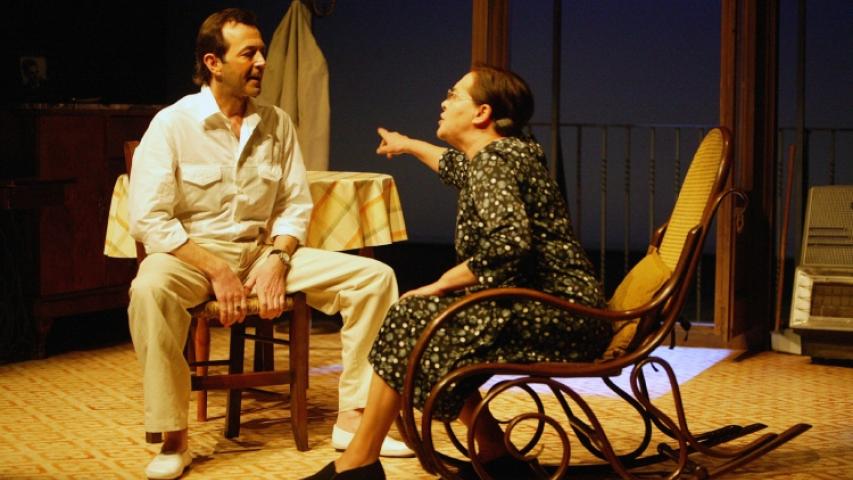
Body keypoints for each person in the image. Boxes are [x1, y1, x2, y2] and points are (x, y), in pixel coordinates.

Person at [127, 8, 411, 480]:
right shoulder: (172, 124)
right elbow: (150, 221)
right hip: (191, 255)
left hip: (261, 252)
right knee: (148, 289)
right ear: (213, 62)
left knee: (374, 279)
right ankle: (173, 436)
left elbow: (295, 206)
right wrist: (217, 270)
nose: (261, 62)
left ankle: (353, 418)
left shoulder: (276, 123)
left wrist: (278, 257)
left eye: (261, 52)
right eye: (249, 54)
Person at [303, 65, 613, 480]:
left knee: (414, 314)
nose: (444, 102)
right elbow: (454, 167)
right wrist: (408, 144)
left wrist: (439, 285)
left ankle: (358, 463)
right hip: (564, 308)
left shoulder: (494, 162)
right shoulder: (506, 154)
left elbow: (509, 245)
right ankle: (495, 453)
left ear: (482, 113)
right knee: (429, 320)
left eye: (453, 95)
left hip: (565, 314)